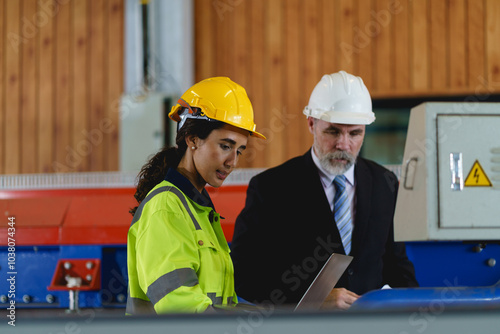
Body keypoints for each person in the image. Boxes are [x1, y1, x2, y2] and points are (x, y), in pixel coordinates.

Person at [230, 71, 418, 310]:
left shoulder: (385, 183)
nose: (343, 144)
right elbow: (245, 275)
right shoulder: (271, 188)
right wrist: (311, 300)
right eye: (333, 131)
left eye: (355, 133)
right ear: (312, 124)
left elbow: (397, 266)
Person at [126, 77, 265, 314]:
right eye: (225, 146)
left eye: (239, 151)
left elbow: (217, 305)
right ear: (192, 139)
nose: (232, 162)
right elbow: (178, 305)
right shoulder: (166, 207)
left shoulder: (200, 211)